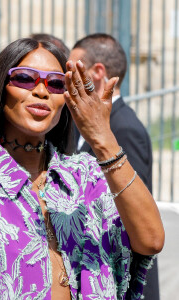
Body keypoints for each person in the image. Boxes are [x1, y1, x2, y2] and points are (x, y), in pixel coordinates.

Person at [0, 38, 164, 299]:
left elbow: (151, 241)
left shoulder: (86, 177)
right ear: (0, 89)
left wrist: (103, 140)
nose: (41, 91)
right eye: (25, 79)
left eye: (56, 83)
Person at [69, 33, 159, 299]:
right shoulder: (90, 126)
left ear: (97, 72)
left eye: (74, 68)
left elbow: (131, 213)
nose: (68, 79)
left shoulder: (124, 129)